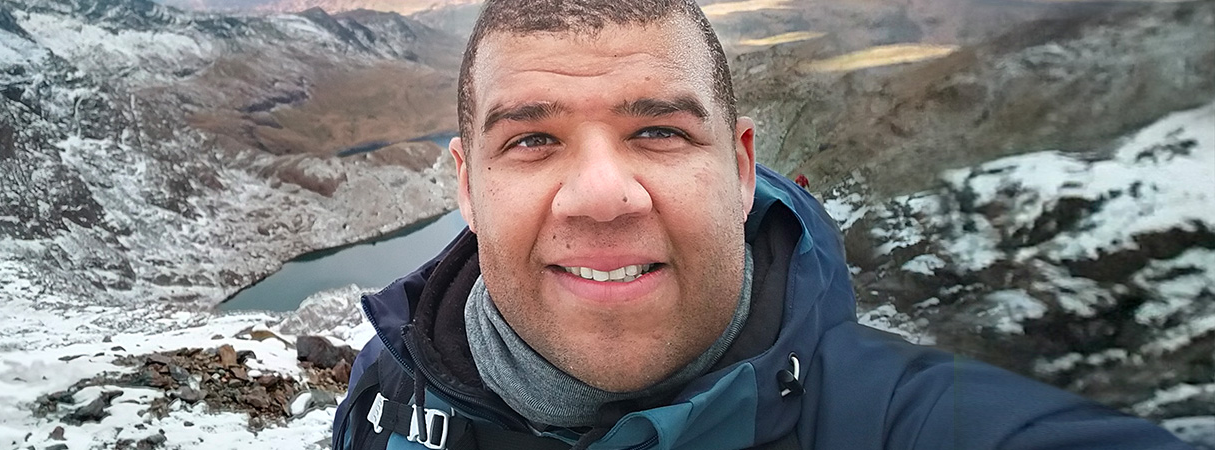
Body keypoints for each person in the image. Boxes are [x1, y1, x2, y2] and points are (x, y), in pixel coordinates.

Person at [328, 0, 1194, 448]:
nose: (601, 194)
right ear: (467, 187)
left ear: (742, 168)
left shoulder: (887, 416)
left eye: (659, 130)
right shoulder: (395, 381)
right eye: (531, 139)